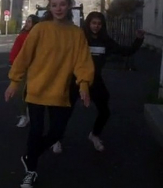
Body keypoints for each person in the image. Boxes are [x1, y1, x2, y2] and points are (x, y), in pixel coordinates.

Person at [5, 0, 94, 188]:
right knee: (35, 131)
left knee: (56, 132)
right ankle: (31, 172)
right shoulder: (40, 29)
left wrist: (84, 84)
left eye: (62, 4)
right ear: (49, 7)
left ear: (69, 6)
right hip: (36, 89)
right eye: (54, 5)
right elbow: (24, 57)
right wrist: (14, 81)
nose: (58, 8)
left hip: (60, 91)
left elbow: (82, 62)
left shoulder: (76, 34)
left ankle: (29, 156)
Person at [51, 11, 144, 153]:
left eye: (99, 24)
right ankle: (56, 139)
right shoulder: (80, 37)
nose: (96, 26)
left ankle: (94, 135)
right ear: (88, 23)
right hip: (76, 80)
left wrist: (138, 39)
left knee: (105, 111)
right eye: (93, 23)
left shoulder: (105, 40)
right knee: (65, 112)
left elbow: (126, 51)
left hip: (95, 80)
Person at [8, 14, 40, 128]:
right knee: (21, 93)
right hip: (23, 68)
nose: (27, 23)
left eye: (29, 22)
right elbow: (15, 51)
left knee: (34, 93)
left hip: (36, 69)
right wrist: (13, 62)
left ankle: (31, 114)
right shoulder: (22, 36)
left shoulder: (39, 36)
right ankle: (23, 115)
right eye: (26, 21)